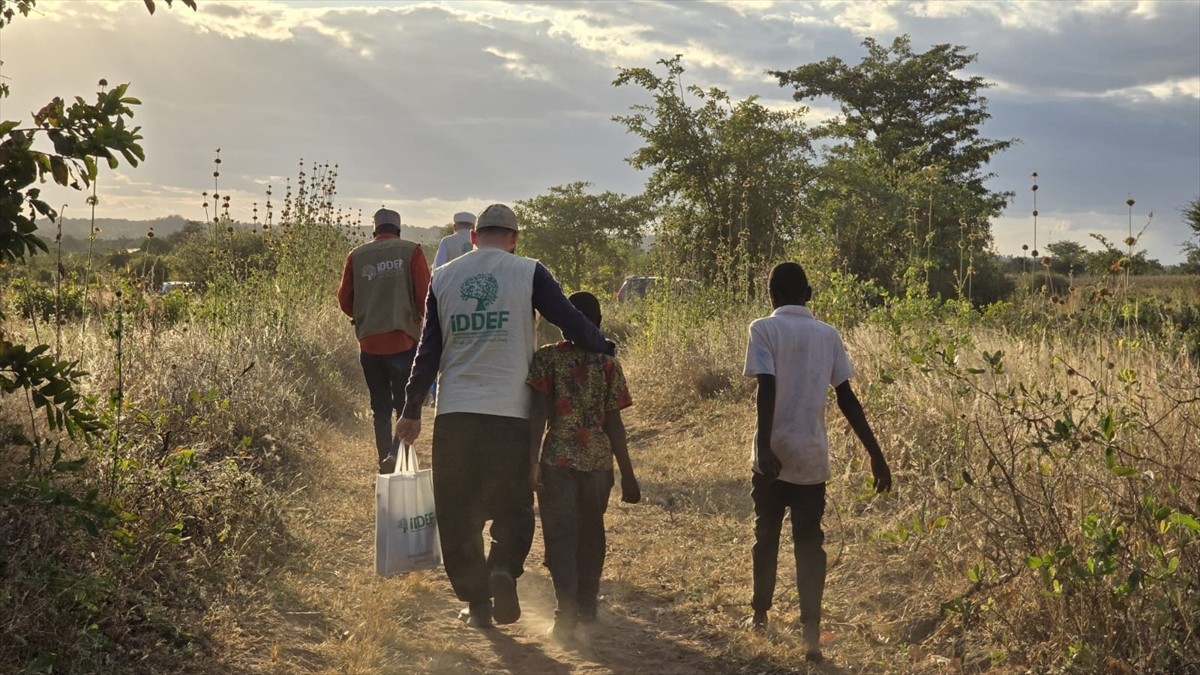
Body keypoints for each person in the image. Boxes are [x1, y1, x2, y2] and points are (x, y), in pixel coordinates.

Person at [395, 203, 614, 630]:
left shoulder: (444, 276)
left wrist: (410, 409)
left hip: (456, 413)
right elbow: (569, 320)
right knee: (513, 507)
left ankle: (477, 604)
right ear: (514, 238)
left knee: (458, 513)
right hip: (511, 414)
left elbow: (428, 352)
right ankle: (502, 568)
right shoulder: (528, 270)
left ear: (474, 237)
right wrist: (601, 343)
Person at [742, 261, 892, 663]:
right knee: (810, 545)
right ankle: (811, 633)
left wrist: (763, 447)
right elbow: (847, 399)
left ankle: (759, 615)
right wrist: (876, 456)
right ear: (808, 295)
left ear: (770, 295)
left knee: (766, 538)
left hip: (772, 459)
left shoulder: (764, 328)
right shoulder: (828, 335)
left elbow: (766, 388)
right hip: (811, 459)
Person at [527, 291, 640, 643]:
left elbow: (536, 417)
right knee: (591, 533)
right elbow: (615, 426)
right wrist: (628, 476)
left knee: (560, 537)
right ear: (600, 323)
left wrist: (531, 461)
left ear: (562, 323)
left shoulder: (546, 360)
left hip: (556, 461)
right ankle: (588, 605)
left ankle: (566, 612)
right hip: (597, 464)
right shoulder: (607, 363)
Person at [338, 207, 430, 474]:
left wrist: (366, 316)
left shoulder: (356, 256)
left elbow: (345, 301)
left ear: (374, 230)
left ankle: (384, 460)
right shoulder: (411, 251)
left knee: (379, 405)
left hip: (369, 343)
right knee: (403, 404)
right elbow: (425, 296)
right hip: (402, 341)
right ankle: (395, 453)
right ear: (398, 230)